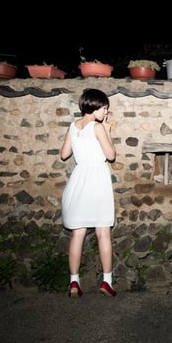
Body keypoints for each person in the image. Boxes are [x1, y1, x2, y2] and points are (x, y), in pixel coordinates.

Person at [60, 88, 117, 298]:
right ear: (94, 106)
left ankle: (74, 282)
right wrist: (107, 132)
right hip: (97, 180)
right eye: (104, 108)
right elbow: (111, 155)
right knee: (103, 232)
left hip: (78, 180)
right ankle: (107, 282)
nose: (106, 112)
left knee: (78, 233)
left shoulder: (73, 126)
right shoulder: (98, 127)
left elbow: (64, 154)